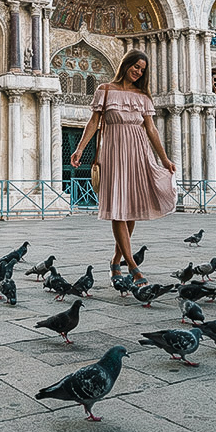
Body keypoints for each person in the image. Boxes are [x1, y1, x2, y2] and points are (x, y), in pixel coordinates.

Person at [70, 50, 177, 284]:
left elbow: (151, 129)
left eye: (142, 69)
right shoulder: (105, 91)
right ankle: (133, 266)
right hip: (113, 153)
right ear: (126, 64)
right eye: (136, 66)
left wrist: (164, 159)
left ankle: (116, 259)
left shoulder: (143, 96)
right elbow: (94, 122)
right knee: (118, 207)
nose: (138, 72)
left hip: (138, 152)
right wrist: (79, 149)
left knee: (132, 209)